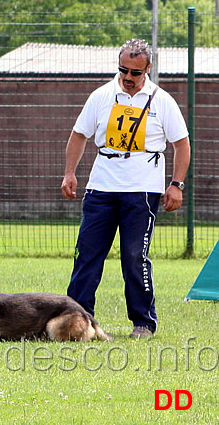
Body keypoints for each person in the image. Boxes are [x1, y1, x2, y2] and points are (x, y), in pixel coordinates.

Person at [61, 38, 190, 339]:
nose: (128, 78)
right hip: (101, 187)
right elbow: (79, 134)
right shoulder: (101, 96)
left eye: (135, 72)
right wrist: (70, 173)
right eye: (123, 70)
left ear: (148, 69)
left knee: (134, 255)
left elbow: (181, 144)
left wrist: (176, 185)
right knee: (87, 253)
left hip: (143, 190)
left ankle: (143, 322)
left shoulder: (162, 101)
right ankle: (76, 320)